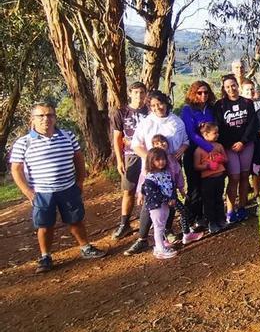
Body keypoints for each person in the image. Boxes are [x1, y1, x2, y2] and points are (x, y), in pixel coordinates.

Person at [9, 102, 106, 273]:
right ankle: (46, 257)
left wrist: (80, 181)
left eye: (50, 115)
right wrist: (28, 192)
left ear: (55, 118)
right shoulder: (24, 143)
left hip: (68, 188)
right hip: (42, 192)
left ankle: (85, 247)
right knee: (45, 226)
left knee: (76, 220)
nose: (46, 119)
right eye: (41, 116)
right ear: (32, 119)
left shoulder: (68, 136)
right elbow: (16, 169)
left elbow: (78, 159)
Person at [125, 91, 189, 255]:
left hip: (171, 169)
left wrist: (181, 149)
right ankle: (142, 239)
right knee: (150, 204)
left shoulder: (176, 121)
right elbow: (136, 145)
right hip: (152, 170)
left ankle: (166, 233)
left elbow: (185, 141)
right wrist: (151, 159)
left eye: (159, 104)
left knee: (170, 199)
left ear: (166, 102)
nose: (157, 108)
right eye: (153, 105)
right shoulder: (147, 123)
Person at [214, 74, 257, 223]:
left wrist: (242, 142)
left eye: (233, 85)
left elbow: (252, 124)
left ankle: (242, 207)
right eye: (227, 87)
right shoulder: (219, 105)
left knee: (245, 176)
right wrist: (232, 143)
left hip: (246, 145)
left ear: (237, 86)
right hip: (229, 147)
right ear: (224, 89)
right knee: (234, 177)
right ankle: (230, 210)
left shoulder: (247, 103)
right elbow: (219, 127)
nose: (231, 89)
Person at [110, 81, 148, 239]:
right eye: (136, 92)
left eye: (142, 92)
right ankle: (124, 224)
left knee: (149, 188)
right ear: (130, 94)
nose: (139, 96)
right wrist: (119, 160)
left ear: (145, 94)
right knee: (129, 189)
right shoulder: (121, 112)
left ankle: (149, 223)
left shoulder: (149, 110)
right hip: (131, 155)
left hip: (149, 154)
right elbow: (117, 138)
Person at [180, 81, 216, 231]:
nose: (203, 95)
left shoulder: (210, 109)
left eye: (206, 92)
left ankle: (203, 217)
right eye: (199, 93)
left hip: (210, 153)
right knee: (194, 188)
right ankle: (189, 218)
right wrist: (208, 147)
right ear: (193, 93)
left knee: (206, 186)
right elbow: (191, 133)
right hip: (193, 152)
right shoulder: (187, 110)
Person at [139, 147, 183, 259]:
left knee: (162, 225)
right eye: (157, 160)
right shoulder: (150, 178)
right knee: (158, 226)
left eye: (163, 159)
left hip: (166, 205)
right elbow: (153, 193)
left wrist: (173, 197)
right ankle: (160, 248)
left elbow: (171, 186)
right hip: (156, 206)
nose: (161, 162)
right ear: (151, 161)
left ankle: (161, 244)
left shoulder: (166, 173)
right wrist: (167, 199)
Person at [194, 122, 228, 233]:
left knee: (219, 199)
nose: (217, 135)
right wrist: (207, 166)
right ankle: (211, 222)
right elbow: (196, 166)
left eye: (218, 132)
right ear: (206, 135)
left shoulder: (219, 146)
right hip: (207, 180)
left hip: (219, 178)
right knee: (209, 202)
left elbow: (226, 159)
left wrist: (220, 159)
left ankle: (221, 220)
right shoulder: (199, 150)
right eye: (215, 133)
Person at [241, 78, 260, 201]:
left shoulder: (259, 103)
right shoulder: (239, 104)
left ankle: (256, 193)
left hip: (257, 141)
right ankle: (243, 198)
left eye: (251, 89)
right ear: (242, 91)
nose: (250, 91)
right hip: (243, 142)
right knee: (242, 173)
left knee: (256, 168)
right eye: (247, 90)